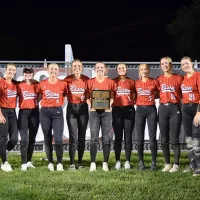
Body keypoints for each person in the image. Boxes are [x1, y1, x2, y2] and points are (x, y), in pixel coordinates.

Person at [36, 63, 68, 171]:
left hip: (57, 112)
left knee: (58, 139)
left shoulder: (63, 84)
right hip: (44, 112)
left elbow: (65, 95)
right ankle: (50, 162)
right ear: (48, 70)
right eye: (51, 69)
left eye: (55, 69)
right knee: (47, 138)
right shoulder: (42, 83)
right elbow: (38, 97)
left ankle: (59, 163)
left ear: (58, 71)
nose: (53, 71)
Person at [86, 62, 115, 171]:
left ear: (105, 69)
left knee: (106, 139)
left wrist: (109, 104)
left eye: (101, 67)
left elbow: (113, 96)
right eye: (97, 67)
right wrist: (90, 105)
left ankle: (105, 163)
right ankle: (92, 162)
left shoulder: (110, 82)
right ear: (94, 69)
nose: (99, 69)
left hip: (106, 113)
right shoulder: (90, 82)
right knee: (94, 138)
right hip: (94, 113)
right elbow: (87, 97)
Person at [157, 56, 183, 172]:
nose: (165, 65)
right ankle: (167, 163)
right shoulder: (159, 79)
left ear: (171, 65)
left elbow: (185, 92)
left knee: (174, 139)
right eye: (163, 63)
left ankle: (176, 164)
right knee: (164, 138)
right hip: (162, 108)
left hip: (174, 108)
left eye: (167, 63)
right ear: (160, 66)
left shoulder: (178, 78)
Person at [64, 59, 89, 170]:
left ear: (82, 67)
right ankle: (72, 163)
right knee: (73, 137)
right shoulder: (67, 80)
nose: (77, 68)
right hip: (71, 108)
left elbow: (91, 94)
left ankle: (80, 162)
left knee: (82, 137)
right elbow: (61, 93)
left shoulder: (86, 80)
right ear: (72, 68)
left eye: (79, 66)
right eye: (75, 66)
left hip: (83, 108)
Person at [135, 64, 160, 171]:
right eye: (141, 69)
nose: (144, 71)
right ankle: (141, 162)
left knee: (152, 137)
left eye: (145, 69)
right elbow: (132, 94)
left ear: (149, 71)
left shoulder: (154, 81)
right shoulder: (136, 83)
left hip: (151, 110)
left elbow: (160, 93)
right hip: (139, 110)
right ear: (139, 72)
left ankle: (153, 162)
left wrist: (153, 97)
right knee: (140, 137)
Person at [112, 63, 135, 170]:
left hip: (129, 110)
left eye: (123, 68)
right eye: (119, 68)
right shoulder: (113, 82)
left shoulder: (131, 82)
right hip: (116, 110)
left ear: (126, 69)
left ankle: (127, 161)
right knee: (118, 137)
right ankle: (117, 161)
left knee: (128, 137)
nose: (121, 70)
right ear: (117, 70)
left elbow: (135, 95)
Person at [180, 56, 200, 176]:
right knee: (188, 138)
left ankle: (199, 165)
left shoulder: (198, 76)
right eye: (182, 65)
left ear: (191, 63)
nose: (185, 66)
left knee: (196, 137)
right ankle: (192, 164)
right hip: (186, 109)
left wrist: (199, 112)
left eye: (186, 63)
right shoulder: (183, 79)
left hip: (196, 108)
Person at [17, 66, 40, 171]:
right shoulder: (19, 85)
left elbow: (42, 94)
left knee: (32, 139)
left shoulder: (36, 84)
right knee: (24, 139)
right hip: (23, 113)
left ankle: (29, 161)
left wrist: (37, 101)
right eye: (26, 73)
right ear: (23, 74)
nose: (27, 74)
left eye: (29, 73)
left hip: (35, 112)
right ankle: (23, 162)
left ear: (32, 74)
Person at [0, 63, 18, 172]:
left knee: (14, 138)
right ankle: (4, 162)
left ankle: (4, 151)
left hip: (12, 112)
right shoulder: (1, 82)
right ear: (6, 70)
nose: (11, 71)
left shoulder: (15, 84)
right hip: (3, 111)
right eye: (9, 69)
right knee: (3, 138)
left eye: (13, 70)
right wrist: (0, 114)